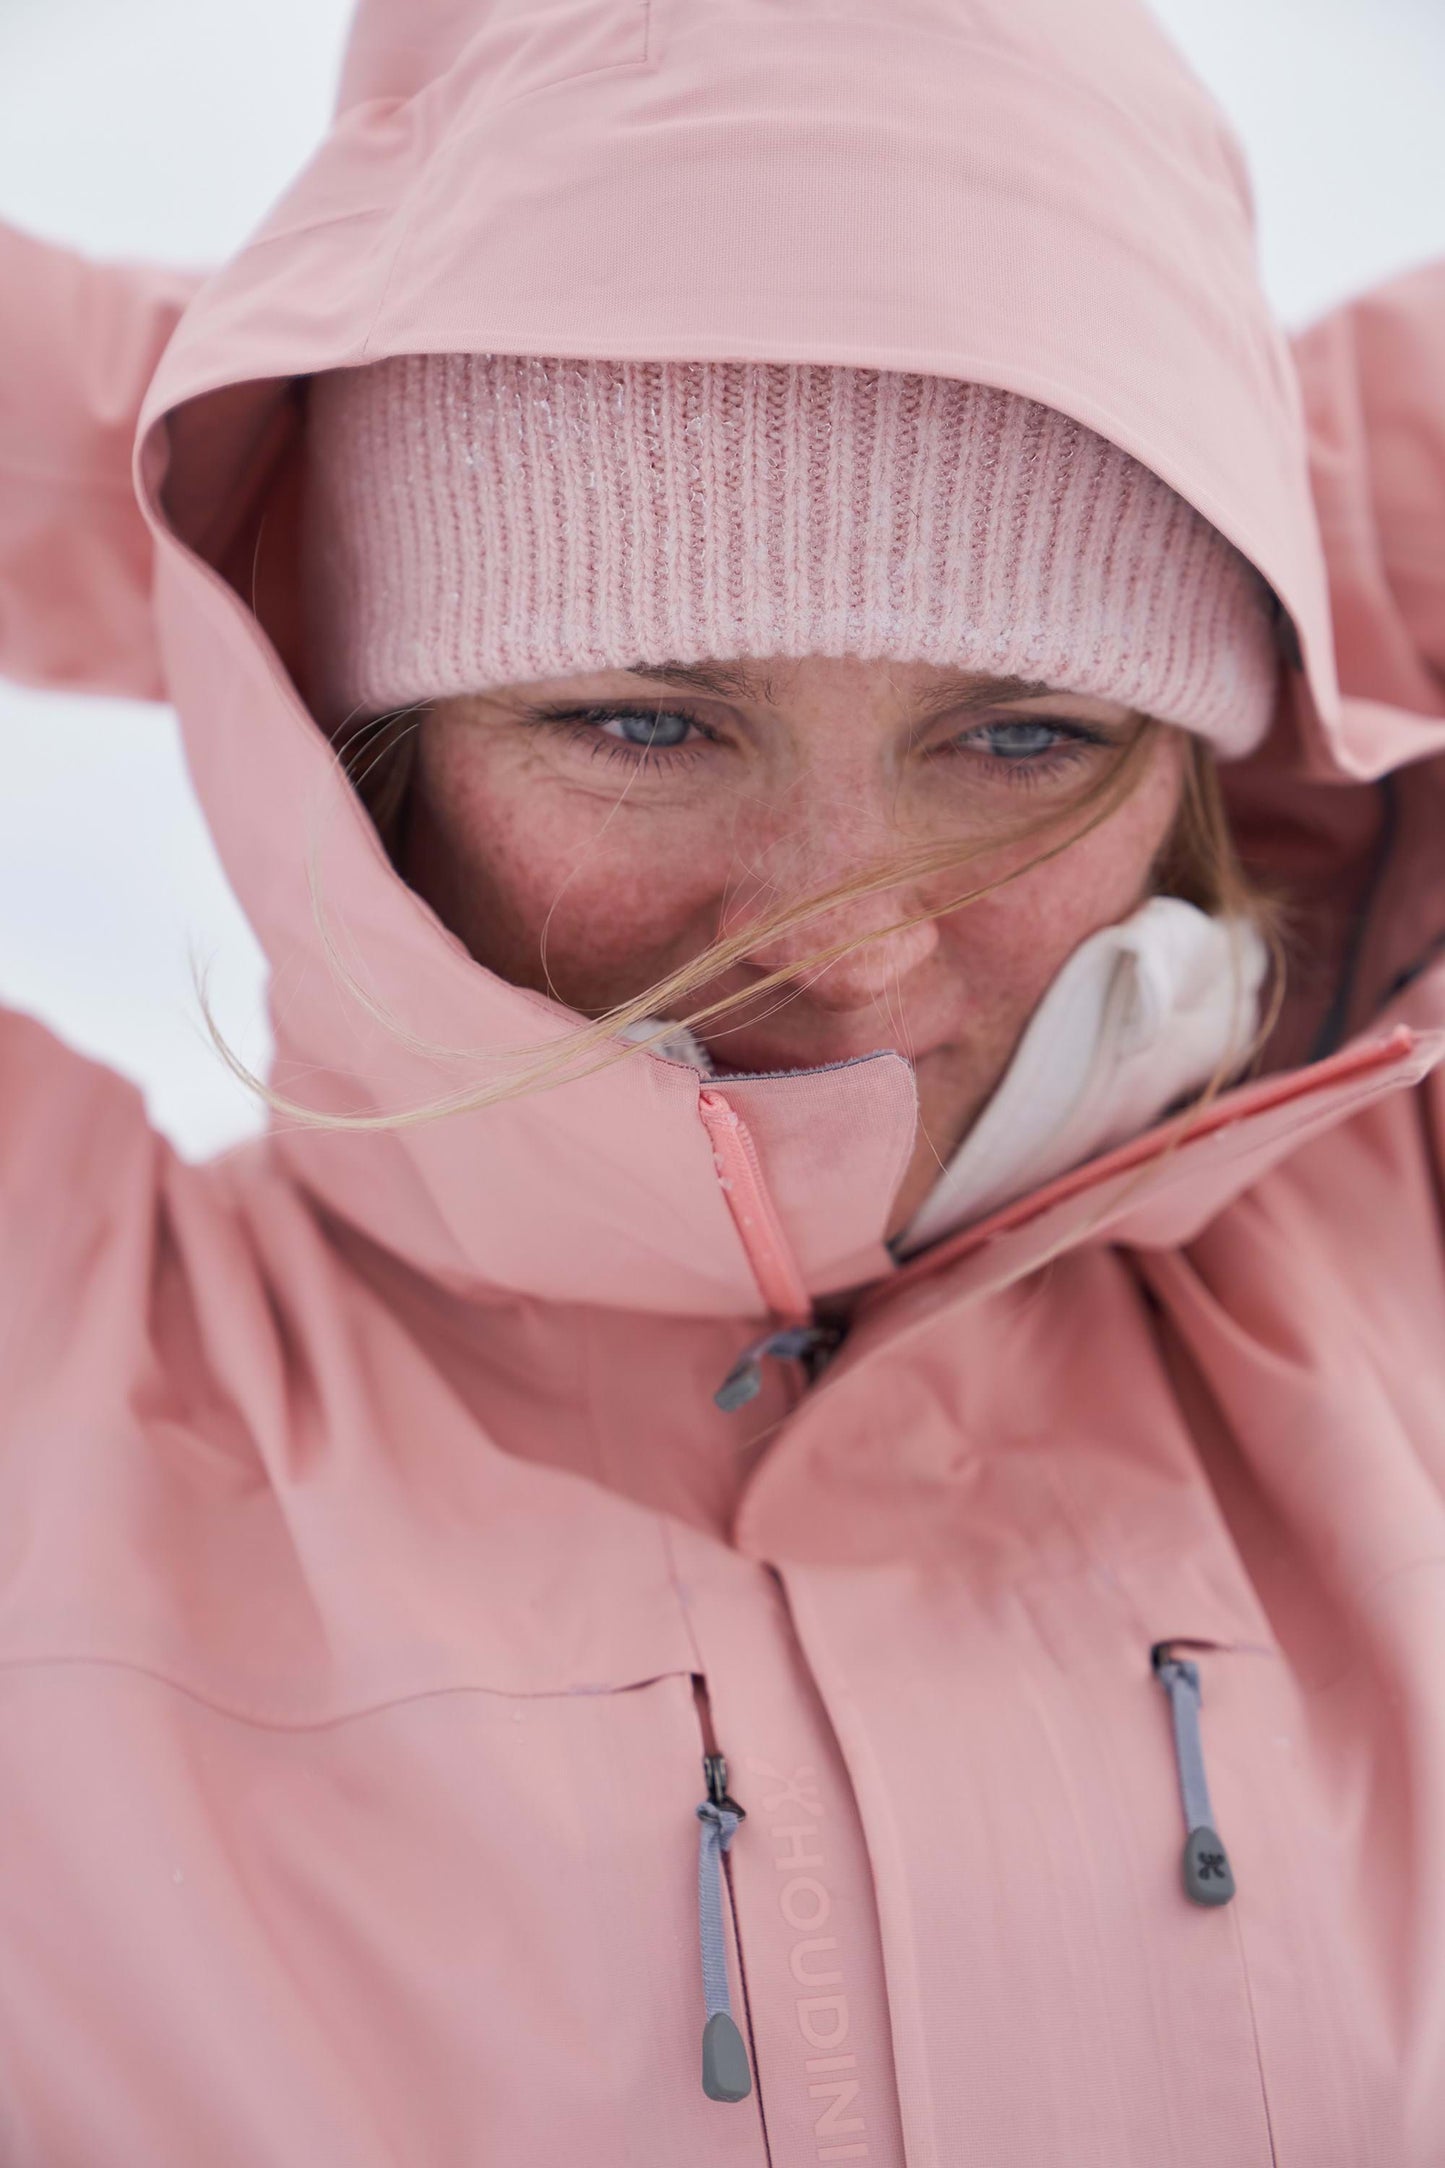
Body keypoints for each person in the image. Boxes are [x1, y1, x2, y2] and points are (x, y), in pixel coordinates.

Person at [1, 0, 1443, 2159]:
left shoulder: (1377, 1241)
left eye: (1027, 732)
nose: (853, 943)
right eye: (645, 724)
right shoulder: (64, 1360)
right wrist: (251, 474)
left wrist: (1225, 443)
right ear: (369, 738)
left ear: (1191, 767)